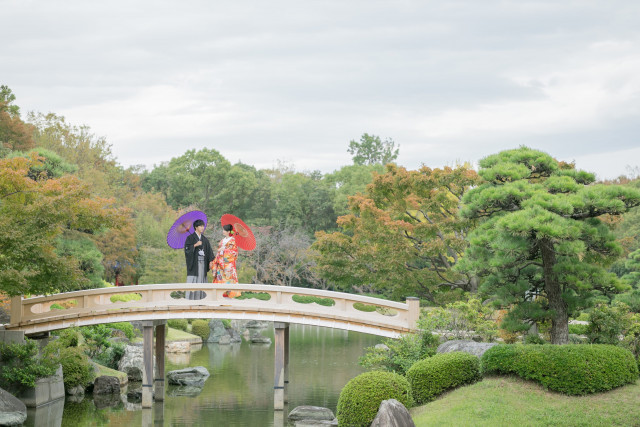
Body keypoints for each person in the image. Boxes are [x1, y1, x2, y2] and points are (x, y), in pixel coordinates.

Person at [184, 219, 214, 300]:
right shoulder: (190, 238)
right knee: (194, 280)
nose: (202, 228)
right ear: (196, 227)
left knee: (202, 280)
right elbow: (187, 250)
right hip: (194, 264)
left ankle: (202, 299)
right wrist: (195, 245)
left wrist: (211, 261)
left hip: (203, 263)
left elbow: (209, 251)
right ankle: (191, 300)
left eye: (203, 226)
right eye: (200, 226)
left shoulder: (204, 239)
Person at [211, 224, 240, 297]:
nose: (223, 231)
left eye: (224, 230)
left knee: (228, 281)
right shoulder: (222, 240)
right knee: (220, 279)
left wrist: (224, 250)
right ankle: (220, 296)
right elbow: (219, 251)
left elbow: (234, 252)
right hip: (220, 263)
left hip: (228, 265)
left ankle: (229, 297)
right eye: (223, 230)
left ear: (228, 231)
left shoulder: (232, 240)